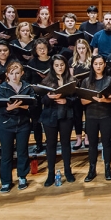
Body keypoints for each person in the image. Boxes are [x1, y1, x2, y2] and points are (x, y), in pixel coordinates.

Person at [0, 60, 35, 193]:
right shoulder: (2, 88)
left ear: (22, 73)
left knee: (22, 151)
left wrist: (22, 106)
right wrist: (9, 109)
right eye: (12, 73)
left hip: (23, 123)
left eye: (17, 73)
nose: (15, 76)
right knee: (6, 154)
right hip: (6, 125)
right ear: (7, 75)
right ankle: (6, 181)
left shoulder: (27, 87)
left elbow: (33, 104)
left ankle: (22, 177)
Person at [39, 54, 77, 185]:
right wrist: (49, 97)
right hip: (50, 116)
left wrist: (66, 100)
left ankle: (68, 171)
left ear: (65, 65)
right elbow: (41, 101)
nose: (59, 67)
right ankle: (51, 174)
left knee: (66, 143)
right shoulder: (46, 81)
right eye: (56, 65)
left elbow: (76, 100)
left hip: (66, 114)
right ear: (52, 67)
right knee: (51, 145)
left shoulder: (71, 80)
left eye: (61, 65)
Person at [81, 54, 111, 181]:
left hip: (106, 115)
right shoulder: (86, 81)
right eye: (96, 64)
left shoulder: (110, 80)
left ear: (104, 65)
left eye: (101, 63)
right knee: (92, 145)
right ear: (92, 65)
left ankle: (108, 168)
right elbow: (83, 102)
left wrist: (103, 99)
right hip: (91, 116)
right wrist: (93, 99)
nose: (98, 66)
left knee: (106, 143)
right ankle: (92, 169)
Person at [70, 37, 93, 149]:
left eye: (83, 48)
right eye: (79, 48)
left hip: (88, 91)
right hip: (77, 92)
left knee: (88, 115)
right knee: (77, 116)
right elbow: (71, 78)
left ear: (87, 48)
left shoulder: (92, 60)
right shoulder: (72, 61)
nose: (81, 50)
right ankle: (79, 138)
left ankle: (87, 137)